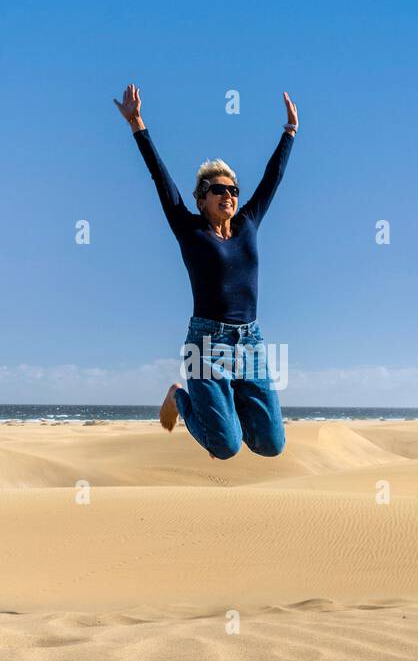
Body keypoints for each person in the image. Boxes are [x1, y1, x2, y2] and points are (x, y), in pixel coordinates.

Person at [114, 83, 297, 459]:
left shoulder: (247, 224)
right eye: (218, 189)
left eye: (233, 190)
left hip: (252, 343)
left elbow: (271, 181)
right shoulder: (190, 229)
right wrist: (138, 126)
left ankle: (225, 407)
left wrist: (289, 133)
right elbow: (160, 180)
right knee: (226, 447)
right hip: (206, 345)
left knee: (271, 445)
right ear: (201, 198)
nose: (228, 195)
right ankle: (180, 398)